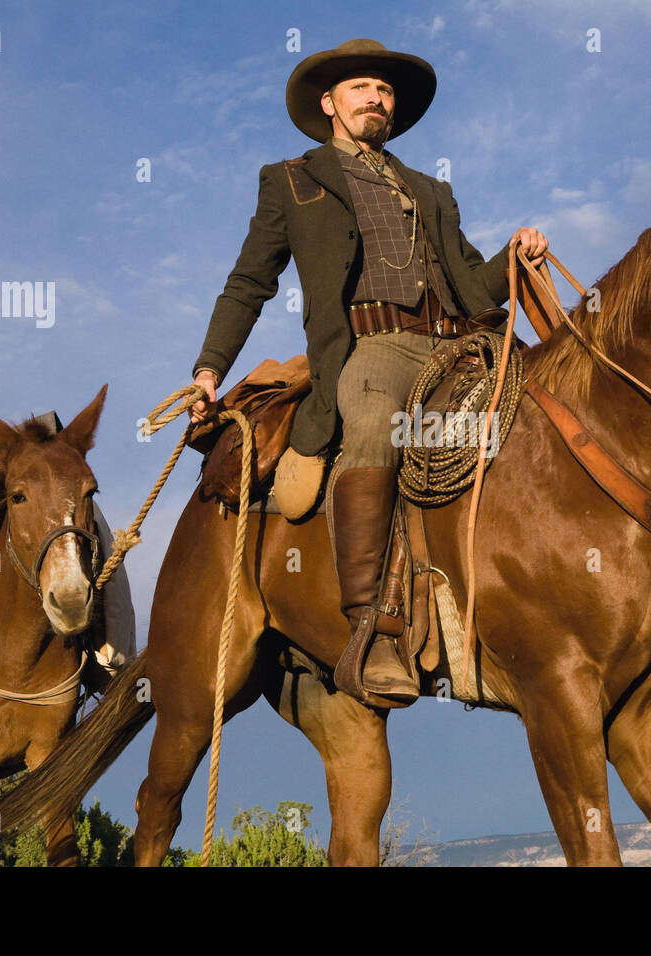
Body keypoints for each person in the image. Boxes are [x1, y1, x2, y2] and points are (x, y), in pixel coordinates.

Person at [189, 38, 547, 704]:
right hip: (372, 349)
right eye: (361, 89)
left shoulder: (432, 190)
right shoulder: (290, 180)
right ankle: (372, 629)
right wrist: (210, 369)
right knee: (378, 425)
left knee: (541, 413)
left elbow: (474, 285)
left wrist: (514, 254)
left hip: (460, 344)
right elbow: (248, 283)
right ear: (330, 104)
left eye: (384, 91)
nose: (376, 99)